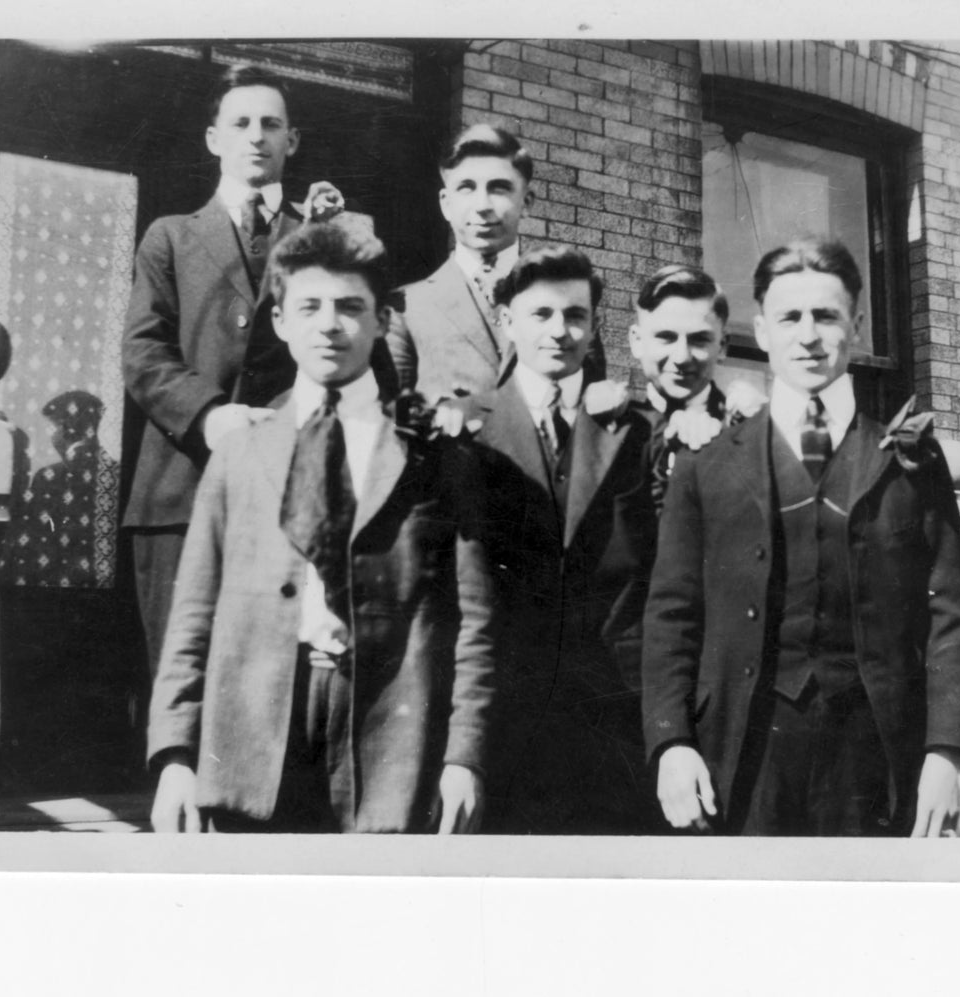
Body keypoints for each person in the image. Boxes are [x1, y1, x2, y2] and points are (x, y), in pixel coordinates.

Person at [147, 216, 496, 833]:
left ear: (383, 321)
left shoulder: (431, 456)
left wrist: (463, 755)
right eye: (309, 306)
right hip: (251, 735)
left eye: (350, 307)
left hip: (389, 734)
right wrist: (176, 753)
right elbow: (194, 613)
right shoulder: (241, 452)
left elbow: (472, 619)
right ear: (280, 322)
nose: (330, 325)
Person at [642, 236, 960, 837]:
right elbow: (673, 614)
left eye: (825, 316)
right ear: (761, 330)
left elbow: (951, 615)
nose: (808, 335)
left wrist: (944, 754)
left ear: (855, 325)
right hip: (744, 755)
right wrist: (672, 744)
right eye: (789, 317)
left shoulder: (913, 464)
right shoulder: (707, 464)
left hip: (876, 755)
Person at [122, 63, 345, 676]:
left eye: (271, 124)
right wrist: (211, 417)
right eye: (240, 123)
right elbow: (143, 353)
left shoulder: (319, 240)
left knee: (269, 682)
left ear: (291, 141)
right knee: (181, 675)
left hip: (288, 485)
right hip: (180, 489)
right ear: (214, 138)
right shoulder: (169, 238)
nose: (256, 136)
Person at [468, 246, 659, 834]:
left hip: (611, 714)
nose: (560, 331)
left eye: (575, 316)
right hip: (505, 713)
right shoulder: (467, 429)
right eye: (541, 315)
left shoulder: (635, 431)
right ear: (507, 322)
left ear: (595, 325)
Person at [386, 123, 601, 401]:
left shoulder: (570, 304)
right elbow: (395, 423)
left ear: (526, 203)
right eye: (466, 188)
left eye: (499, 189)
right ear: (445, 204)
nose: (482, 205)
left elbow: (593, 422)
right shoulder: (406, 309)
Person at [627, 263, 761, 506]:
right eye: (666, 337)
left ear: (722, 346)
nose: (681, 357)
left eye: (699, 340)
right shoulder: (613, 432)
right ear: (637, 341)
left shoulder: (751, 432)